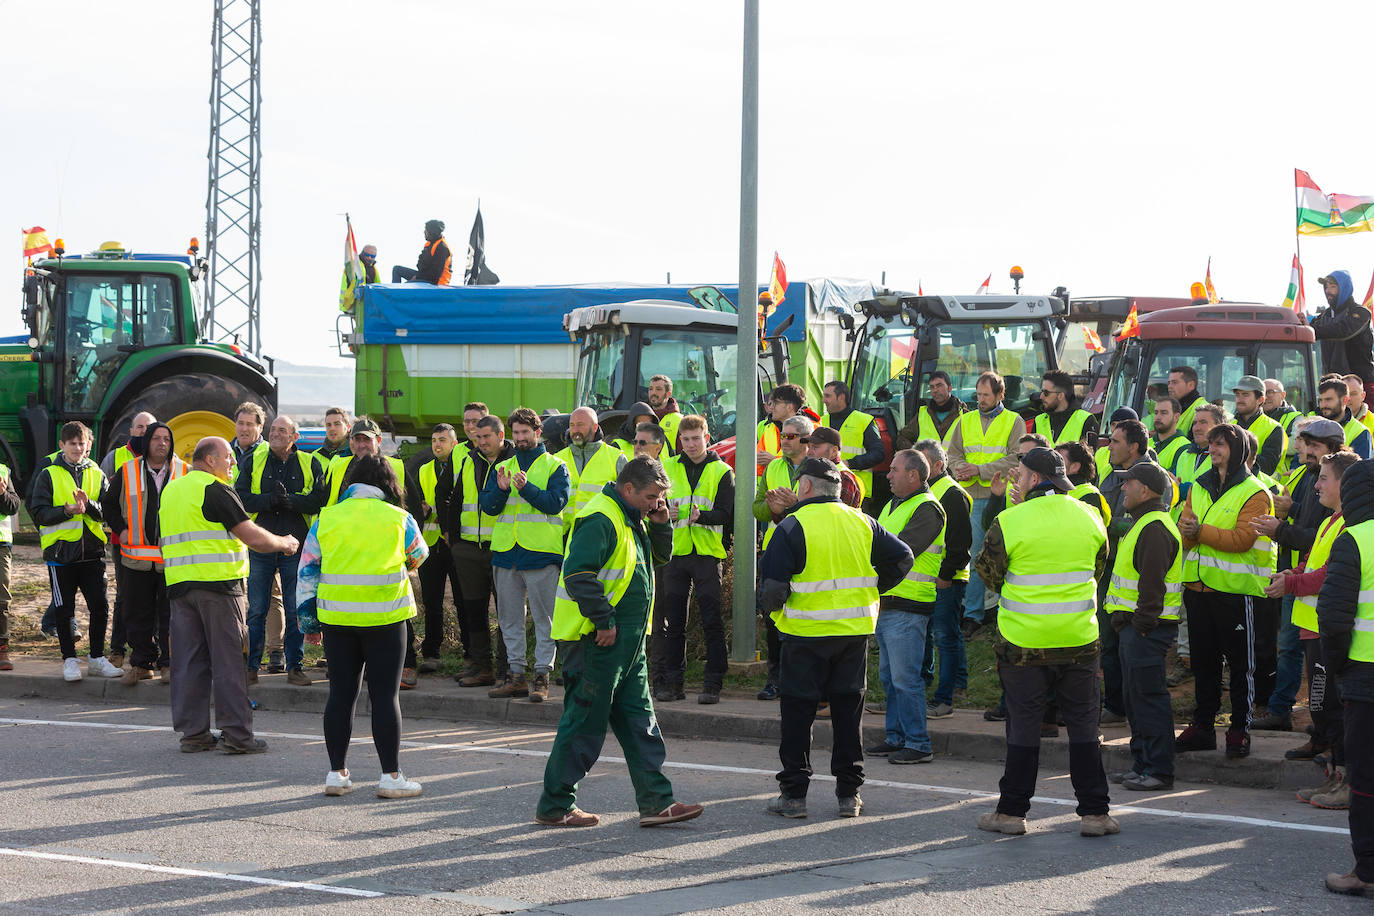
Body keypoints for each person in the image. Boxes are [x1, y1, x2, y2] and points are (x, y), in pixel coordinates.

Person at [537, 457, 703, 828]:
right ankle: (555, 804)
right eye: (650, 497)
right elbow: (579, 574)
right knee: (584, 724)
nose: (655, 504)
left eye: (659, 498)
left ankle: (657, 803)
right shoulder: (602, 517)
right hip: (598, 639)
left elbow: (658, 558)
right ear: (627, 489)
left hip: (626, 643)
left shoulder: (630, 515)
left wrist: (662, 526)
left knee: (640, 722)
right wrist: (604, 620)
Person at [972, 447, 1114, 838]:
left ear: (1034, 480)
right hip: (1079, 640)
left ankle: (1011, 813)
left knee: (1024, 727)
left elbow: (989, 575)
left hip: (1024, 642)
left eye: (1019, 474)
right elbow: (1099, 567)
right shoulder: (1089, 514)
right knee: (1085, 726)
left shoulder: (1010, 520)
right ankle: (1096, 814)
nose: (1016, 481)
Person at [760, 458, 913, 819]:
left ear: (807, 487)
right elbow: (903, 557)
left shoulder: (792, 525)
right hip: (852, 633)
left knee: (798, 714)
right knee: (848, 713)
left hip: (804, 634)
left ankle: (794, 796)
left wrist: (775, 615)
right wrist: (875, 588)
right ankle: (849, 795)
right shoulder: (864, 522)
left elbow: (773, 590)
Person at [296, 454, 427, 799]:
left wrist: (309, 622)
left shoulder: (326, 518)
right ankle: (390, 776)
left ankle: (336, 774)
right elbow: (419, 555)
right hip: (385, 617)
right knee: (385, 696)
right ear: (387, 484)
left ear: (350, 483)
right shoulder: (400, 518)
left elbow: (307, 572)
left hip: (337, 619)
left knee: (341, 694)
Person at [159, 437, 298, 754]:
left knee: (189, 663)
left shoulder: (172, 490)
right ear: (209, 460)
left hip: (180, 588)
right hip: (219, 588)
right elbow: (251, 535)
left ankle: (193, 735)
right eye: (228, 458)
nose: (233, 463)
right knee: (229, 663)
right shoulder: (215, 489)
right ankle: (237, 735)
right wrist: (284, 543)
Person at [1175, 423, 1275, 759]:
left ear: (1240, 451)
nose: (1213, 449)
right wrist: (1192, 532)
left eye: (1221, 445)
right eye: (1212, 443)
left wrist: (1199, 531)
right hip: (1199, 588)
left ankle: (1239, 729)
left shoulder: (1256, 492)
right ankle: (1203, 726)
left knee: (1240, 664)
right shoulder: (1200, 486)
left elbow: (1242, 541)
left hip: (1235, 592)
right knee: (1203, 663)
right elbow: (1184, 532)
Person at [1267, 449, 1358, 811]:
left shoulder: (1350, 523)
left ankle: (1344, 779)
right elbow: (1311, 562)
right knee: (1322, 707)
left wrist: (1293, 585)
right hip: (1311, 628)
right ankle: (1335, 774)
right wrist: (1292, 573)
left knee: (1328, 706)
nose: (1316, 484)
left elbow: (1327, 576)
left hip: (1325, 630)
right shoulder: (1331, 520)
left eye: (1324, 478)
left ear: (1345, 483)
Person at [1251, 418, 1342, 730]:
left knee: (1316, 662)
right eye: (1307, 444)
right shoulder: (1309, 475)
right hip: (1302, 580)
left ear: (1332, 449)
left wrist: (1280, 529)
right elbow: (1313, 540)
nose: (1307, 451)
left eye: (1315, 446)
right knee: (1292, 649)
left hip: (1317, 590)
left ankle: (1312, 726)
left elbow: (1314, 538)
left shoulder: (1335, 484)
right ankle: (1284, 714)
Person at [1312, 455, 1374, 895]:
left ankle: (1366, 871)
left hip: (1365, 679)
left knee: (1367, 782)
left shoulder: (1354, 540)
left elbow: (1333, 619)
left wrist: (1337, 669)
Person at [481, 407, 570, 702]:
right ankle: (516, 676)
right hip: (507, 553)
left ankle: (542, 676)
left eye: (524, 433)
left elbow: (555, 503)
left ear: (537, 432)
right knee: (509, 619)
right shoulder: (500, 468)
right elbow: (489, 507)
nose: (520, 438)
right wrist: (503, 490)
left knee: (545, 619)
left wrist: (527, 488)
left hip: (541, 553)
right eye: (516, 433)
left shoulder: (556, 466)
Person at [1105, 462, 1182, 791]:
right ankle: (1142, 763)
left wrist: (1142, 625)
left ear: (1146, 490)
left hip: (1146, 629)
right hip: (1136, 628)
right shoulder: (1144, 523)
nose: (1123, 488)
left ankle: (1159, 769)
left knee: (1148, 698)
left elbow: (1153, 586)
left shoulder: (1154, 527)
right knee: (1136, 698)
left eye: (1129, 483)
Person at [235, 415, 325, 688]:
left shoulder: (311, 463)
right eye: (272, 429)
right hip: (261, 544)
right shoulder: (254, 461)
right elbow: (240, 497)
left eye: (281, 430)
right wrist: (268, 501)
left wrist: (291, 502)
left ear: (294, 437)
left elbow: (319, 499)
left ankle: (295, 667)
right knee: (257, 610)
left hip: (295, 547)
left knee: (295, 608)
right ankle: (251, 668)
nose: (275, 434)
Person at [867, 449, 945, 765]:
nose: (888, 474)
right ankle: (897, 737)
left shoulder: (929, 508)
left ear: (913, 475)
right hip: (889, 603)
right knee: (890, 677)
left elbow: (898, 550)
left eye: (894, 469)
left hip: (909, 605)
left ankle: (917, 742)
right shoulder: (893, 504)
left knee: (905, 678)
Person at [28, 422, 121, 682]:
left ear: (88, 445)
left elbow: (107, 510)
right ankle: (69, 660)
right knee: (64, 610)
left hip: (92, 553)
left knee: (100, 607)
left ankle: (96, 659)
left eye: (82, 444)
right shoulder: (49, 473)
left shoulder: (96, 472)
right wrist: (66, 511)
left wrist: (88, 506)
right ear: (62, 445)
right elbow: (38, 513)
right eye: (72, 444)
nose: (77, 448)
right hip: (61, 556)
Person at [102, 422, 187, 685]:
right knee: (137, 613)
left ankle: (168, 664)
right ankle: (141, 664)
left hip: (170, 560)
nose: (162, 443)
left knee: (170, 615)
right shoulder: (127, 470)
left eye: (166, 439)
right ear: (147, 441)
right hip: (136, 559)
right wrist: (120, 529)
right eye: (156, 438)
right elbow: (108, 504)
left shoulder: (184, 472)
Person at [656, 416, 733, 704]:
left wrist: (703, 517)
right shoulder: (668, 467)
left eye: (695, 438)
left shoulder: (722, 471)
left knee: (712, 621)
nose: (690, 444)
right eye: (685, 439)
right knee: (673, 622)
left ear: (706, 437)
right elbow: (656, 503)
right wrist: (663, 511)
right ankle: (673, 683)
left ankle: (713, 683)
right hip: (676, 553)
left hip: (707, 554)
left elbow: (728, 514)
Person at [947, 371, 1026, 634]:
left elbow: (1016, 458)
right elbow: (954, 454)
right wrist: (960, 468)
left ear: (1000, 395)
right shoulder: (965, 420)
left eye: (986, 395)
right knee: (970, 555)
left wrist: (978, 471)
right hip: (968, 497)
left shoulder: (1014, 422)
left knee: (992, 555)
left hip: (997, 498)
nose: (980, 400)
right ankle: (972, 613)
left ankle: (976, 615)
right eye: (978, 395)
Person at [1096, 418, 1153, 725]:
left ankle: (1130, 708)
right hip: (1109, 569)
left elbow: (1139, 523)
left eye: (1115, 441)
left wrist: (1105, 525)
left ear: (1133, 447)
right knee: (1109, 641)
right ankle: (1115, 705)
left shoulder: (1151, 477)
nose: (1109, 445)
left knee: (1130, 645)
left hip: (1134, 575)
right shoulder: (1110, 474)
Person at [753, 414, 813, 700]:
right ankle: (774, 679)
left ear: (805, 440)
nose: (783, 440)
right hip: (775, 547)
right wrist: (773, 508)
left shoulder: (818, 469)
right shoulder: (773, 466)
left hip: (808, 549)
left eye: (789, 436)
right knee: (772, 613)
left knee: (804, 616)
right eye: (782, 435)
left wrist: (794, 505)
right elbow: (757, 508)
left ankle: (799, 680)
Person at [451, 414, 512, 687]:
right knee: (474, 609)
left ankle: (507, 670)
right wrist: (454, 540)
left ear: (501, 436)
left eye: (487, 436)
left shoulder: (514, 462)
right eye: (478, 437)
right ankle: (481, 666)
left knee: (507, 613)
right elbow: (453, 499)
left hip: (502, 548)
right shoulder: (468, 460)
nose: (481, 441)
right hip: (468, 549)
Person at [914, 438, 971, 719]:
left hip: (947, 580)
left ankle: (945, 698)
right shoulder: (929, 490)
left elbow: (961, 544)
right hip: (928, 579)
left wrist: (946, 576)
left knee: (945, 637)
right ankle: (933, 686)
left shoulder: (951, 493)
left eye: (922, 463)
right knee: (931, 636)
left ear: (937, 465)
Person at [230, 401, 287, 673]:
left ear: (260, 427)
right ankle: (241, 648)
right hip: (226, 534)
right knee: (236, 594)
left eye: (250, 424)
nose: (244, 428)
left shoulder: (268, 453)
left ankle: (276, 650)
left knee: (270, 593)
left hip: (258, 531)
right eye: (240, 423)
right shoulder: (223, 451)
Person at [100, 409, 157, 669]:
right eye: (140, 427)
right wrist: (120, 530)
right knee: (125, 595)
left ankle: (152, 650)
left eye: (149, 427)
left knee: (157, 596)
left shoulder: (165, 459)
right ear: (131, 431)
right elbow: (106, 500)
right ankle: (117, 649)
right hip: (123, 542)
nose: (144, 431)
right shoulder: (115, 458)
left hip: (156, 545)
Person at [409, 423, 465, 677]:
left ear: (454, 444)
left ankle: (470, 653)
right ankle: (431, 652)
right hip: (431, 543)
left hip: (456, 543)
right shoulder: (422, 470)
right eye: (433, 440)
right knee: (432, 601)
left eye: (442, 439)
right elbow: (417, 501)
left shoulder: (464, 467)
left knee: (465, 600)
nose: (437, 444)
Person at [555, 407, 626, 533]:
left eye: (580, 425)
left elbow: (628, 500)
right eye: (572, 425)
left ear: (594, 427)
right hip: (563, 535)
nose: (575, 430)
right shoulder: (557, 459)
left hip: (600, 534)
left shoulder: (616, 458)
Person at [819, 380, 885, 510]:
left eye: (828, 396)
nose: (823, 400)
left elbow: (878, 454)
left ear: (841, 397)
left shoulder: (864, 420)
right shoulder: (821, 421)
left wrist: (850, 463)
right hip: (824, 489)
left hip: (857, 491)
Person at [1312, 271, 1374, 399]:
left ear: (1344, 288)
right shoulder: (1324, 316)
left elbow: (1343, 331)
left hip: (1360, 385)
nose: (1328, 291)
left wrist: (1311, 329)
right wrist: (1302, 324)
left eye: (1333, 287)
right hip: (1333, 386)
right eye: (1326, 287)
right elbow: (1308, 331)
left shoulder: (1361, 313)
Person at [897, 371, 965, 450]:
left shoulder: (964, 414)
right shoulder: (922, 415)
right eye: (932, 387)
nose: (935, 390)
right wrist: (916, 455)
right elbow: (903, 438)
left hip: (955, 462)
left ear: (950, 388)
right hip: (927, 462)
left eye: (939, 385)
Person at [1233, 375, 1286, 476]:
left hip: (1262, 490)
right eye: (1237, 394)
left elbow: (1267, 467)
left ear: (1261, 399)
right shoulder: (1229, 424)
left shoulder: (1274, 428)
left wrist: (1232, 454)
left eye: (1245, 395)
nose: (1239, 399)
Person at [1033, 370, 1098, 446]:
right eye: (1041, 392)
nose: (1041, 396)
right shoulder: (1038, 420)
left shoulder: (1086, 420)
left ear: (1060, 396)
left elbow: (1090, 455)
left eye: (1046, 393)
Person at [1316, 375, 1373, 460]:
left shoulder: (1361, 431)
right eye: (1320, 400)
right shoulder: (1313, 422)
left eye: (1328, 400)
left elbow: (1360, 469)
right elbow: (1298, 461)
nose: (1323, 405)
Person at [806, 426, 863, 508]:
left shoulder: (843, 477)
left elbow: (836, 515)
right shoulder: (812, 470)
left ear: (834, 451)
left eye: (815, 447)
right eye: (809, 447)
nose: (809, 452)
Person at [1057, 441, 1111, 524]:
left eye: (1059, 460)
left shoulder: (1090, 496)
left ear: (1075, 467)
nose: (1054, 464)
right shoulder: (1057, 488)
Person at [756, 383, 805, 472]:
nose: (771, 407)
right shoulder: (769, 429)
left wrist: (774, 461)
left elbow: (807, 465)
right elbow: (757, 466)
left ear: (789, 407)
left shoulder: (808, 430)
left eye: (776, 403)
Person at [392, 219, 452, 285]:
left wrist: (418, 277)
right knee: (396, 269)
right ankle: (393, 293)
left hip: (437, 282)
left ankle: (398, 294)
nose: (424, 232)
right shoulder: (429, 244)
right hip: (425, 277)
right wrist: (418, 276)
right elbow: (420, 265)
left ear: (432, 232)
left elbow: (435, 274)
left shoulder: (442, 248)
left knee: (406, 285)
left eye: (426, 230)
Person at [0, 459, 18, 671]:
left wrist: (3, 493)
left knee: (1, 598)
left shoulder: (3, 470)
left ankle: (2, 648)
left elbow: (13, 507)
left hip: (1, 545)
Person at [1151, 397, 1191, 478]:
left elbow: (1171, 480)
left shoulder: (1185, 447)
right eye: (1156, 413)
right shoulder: (1146, 443)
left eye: (1164, 413)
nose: (1158, 417)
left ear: (1176, 417)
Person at [1168, 366, 1204, 443]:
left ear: (1191, 385)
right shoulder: (1178, 407)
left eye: (1174, 382)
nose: (1169, 386)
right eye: (1169, 383)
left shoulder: (1203, 409)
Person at [646, 375, 684, 449]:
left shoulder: (679, 420)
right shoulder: (640, 417)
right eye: (650, 389)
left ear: (668, 394)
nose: (653, 393)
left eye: (658, 389)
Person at [339, 243, 379, 313]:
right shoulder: (354, 265)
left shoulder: (373, 269)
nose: (370, 258)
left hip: (364, 301)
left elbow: (378, 286)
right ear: (363, 253)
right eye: (367, 255)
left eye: (372, 256)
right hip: (349, 303)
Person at [1345, 373, 1374, 437]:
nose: (1348, 398)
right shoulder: (1328, 421)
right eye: (1345, 394)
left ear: (1363, 396)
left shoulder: (1373, 421)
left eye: (1353, 394)